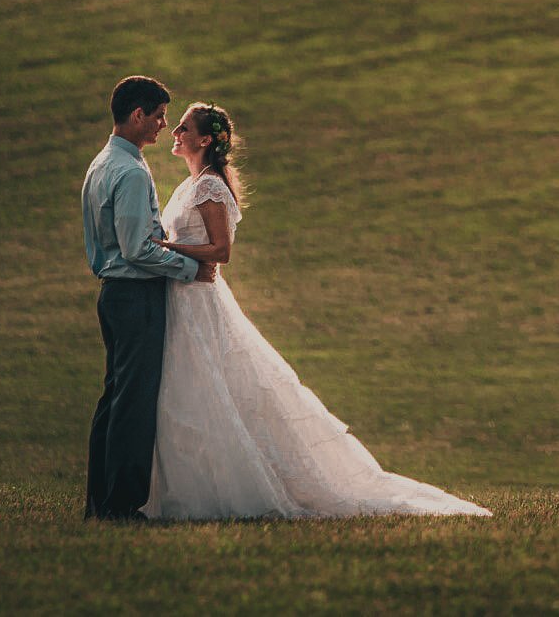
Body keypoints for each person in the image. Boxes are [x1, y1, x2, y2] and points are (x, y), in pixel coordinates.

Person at [139, 101, 489, 520]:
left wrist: (166, 248)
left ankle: (239, 490)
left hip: (200, 301)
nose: (174, 133)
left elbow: (221, 251)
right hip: (182, 298)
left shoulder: (211, 186)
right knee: (189, 391)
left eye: (183, 128)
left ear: (206, 139)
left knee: (217, 386)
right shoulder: (187, 186)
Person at [81, 75, 216, 522]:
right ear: (137, 114)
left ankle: (99, 500)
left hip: (112, 293)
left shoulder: (101, 164)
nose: (163, 125)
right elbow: (138, 248)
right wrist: (190, 268)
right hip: (136, 295)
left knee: (114, 397)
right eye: (158, 116)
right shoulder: (132, 171)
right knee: (134, 402)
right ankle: (122, 504)